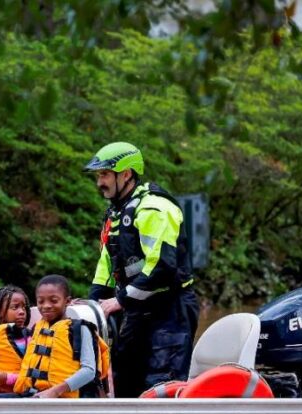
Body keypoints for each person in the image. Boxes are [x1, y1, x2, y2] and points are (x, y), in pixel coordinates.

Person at [84, 142, 200, 397]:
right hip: (138, 307)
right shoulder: (115, 213)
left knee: (161, 382)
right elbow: (107, 262)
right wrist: (92, 302)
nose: (99, 182)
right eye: (98, 176)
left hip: (171, 307)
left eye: (104, 174)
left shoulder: (155, 208)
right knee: (123, 377)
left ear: (126, 174)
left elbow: (162, 268)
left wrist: (120, 300)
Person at [14, 275, 110, 399]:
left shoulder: (80, 329)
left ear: (68, 301)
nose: (46, 306)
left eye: (54, 300)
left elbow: (89, 371)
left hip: (65, 398)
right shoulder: (37, 329)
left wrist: (55, 391)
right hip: (36, 395)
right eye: (41, 301)